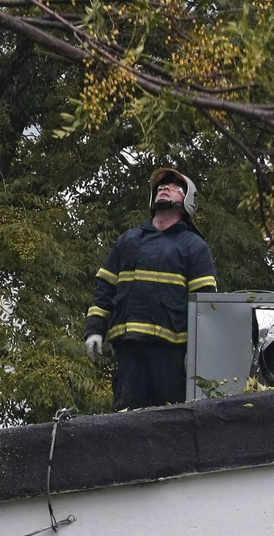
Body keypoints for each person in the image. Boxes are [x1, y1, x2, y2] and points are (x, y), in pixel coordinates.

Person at [83, 167, 217, 409]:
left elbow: (205, 306)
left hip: (171, 356)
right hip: (129, 350)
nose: (164, 188)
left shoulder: (194, 247)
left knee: (170, 422)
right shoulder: (128, 241)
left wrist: (198, 353)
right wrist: (95, 330)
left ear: (188, 201)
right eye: (161, 186)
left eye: (174, 187)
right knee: (126, 422)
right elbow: (104, 292)